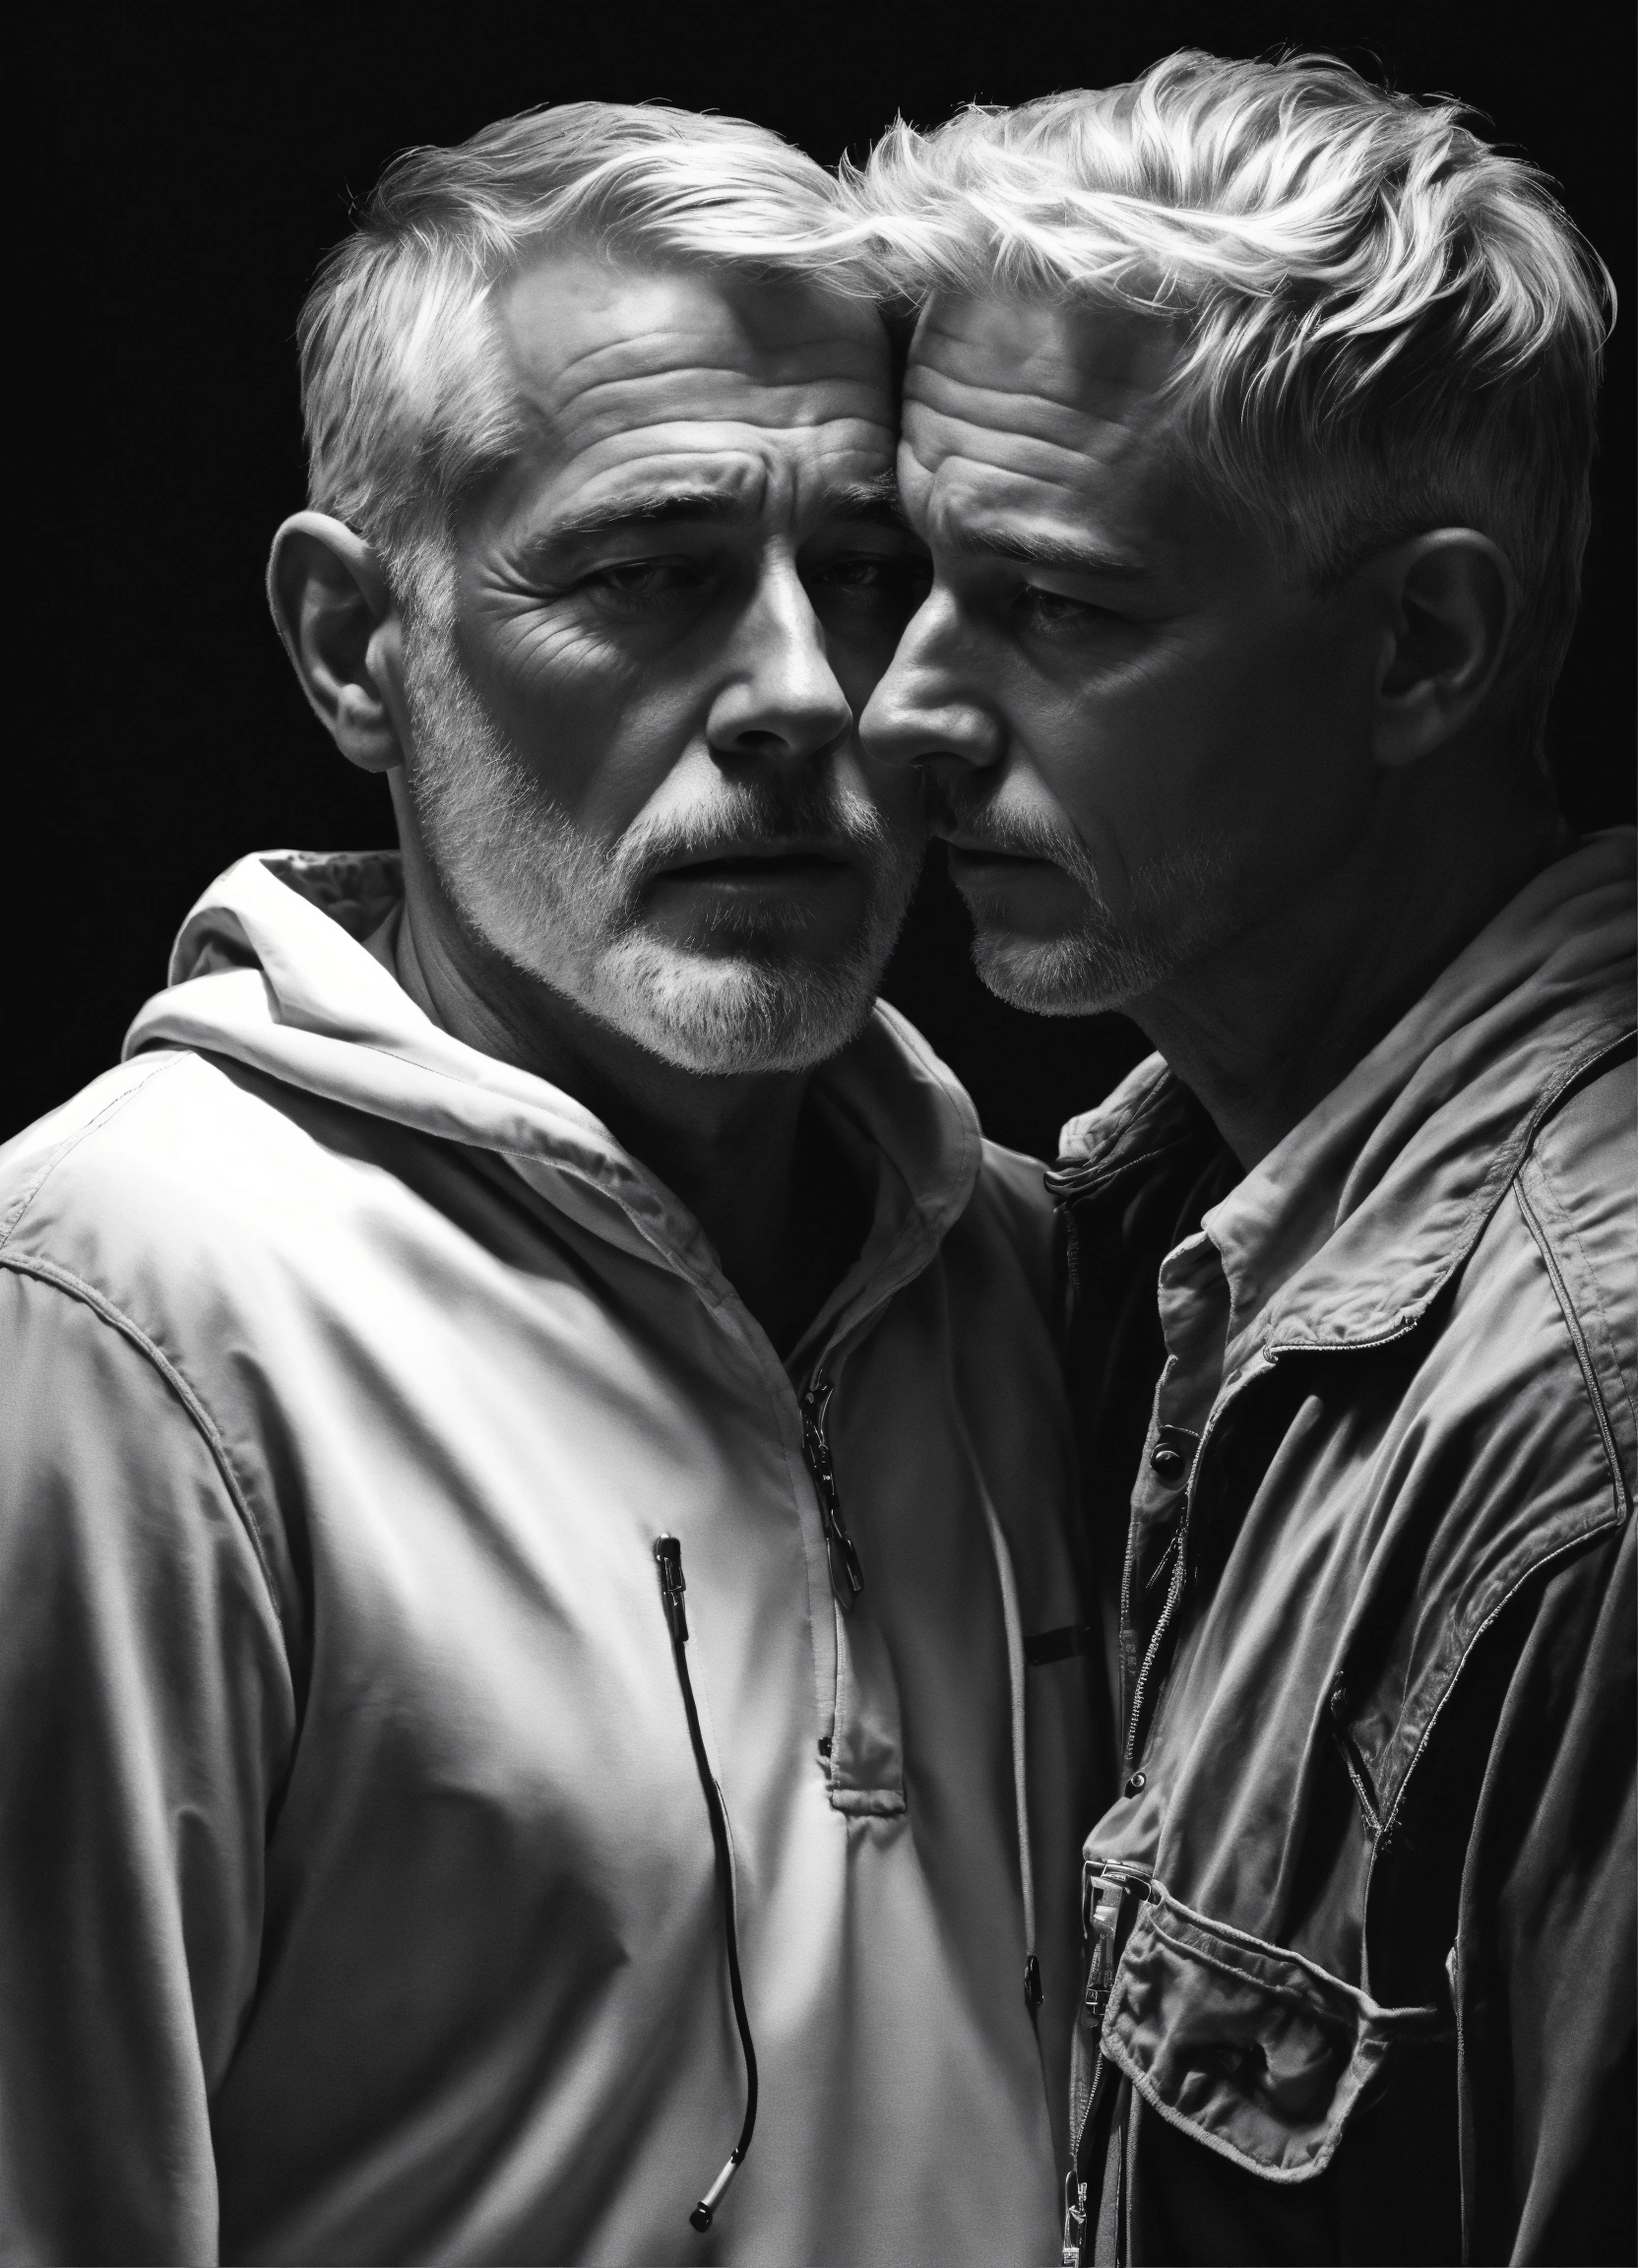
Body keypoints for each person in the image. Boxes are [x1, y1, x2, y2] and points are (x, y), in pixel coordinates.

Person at [0, 104, 1102, 2266]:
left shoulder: (1039, 1273)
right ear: (354, 642)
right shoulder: (114, 1332)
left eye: (867, 574)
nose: (806, 692)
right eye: (652, 572)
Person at [847, 51, 1635, 2266]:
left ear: (1422, 648)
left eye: (1062, 608)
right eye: (916, 575)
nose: (902, 711)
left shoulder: (1583, 1421)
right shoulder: (1118, 1245)